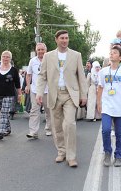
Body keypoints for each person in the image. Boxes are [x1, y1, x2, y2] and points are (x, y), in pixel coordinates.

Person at [36, 30, 87, 168]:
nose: (65, 40)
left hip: (70, 95)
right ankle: (61, 151)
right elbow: (42, 76)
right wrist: (39, 93)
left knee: (70, 124)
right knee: (57, 126)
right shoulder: (48, 56)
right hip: (54, 94)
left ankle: (71, 157)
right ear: (56, 40)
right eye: (62, 38)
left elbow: (81, 76)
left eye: (66, 38)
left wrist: (84, 95)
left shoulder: (76, 55)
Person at [97, 46, 121, 167]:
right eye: (110, 52)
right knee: (106, 130)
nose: (111, 54)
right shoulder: (103, 72)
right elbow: (100, 88)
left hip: (120, 107)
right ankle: (107, 152)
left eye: (114, 53)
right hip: (107, 107)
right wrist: (99, 104)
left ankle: (118, 156)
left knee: (119, 134)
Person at [0, 50, 22, 140]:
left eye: (7, 57)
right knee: (4, 113)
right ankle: (8, 129)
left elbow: (17, 84)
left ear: (10, 59)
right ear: (1, 57)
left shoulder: (14, 70)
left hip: (9, 94)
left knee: (4, 112)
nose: (5, 58)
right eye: (4, 56)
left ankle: (2, 131)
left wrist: (19, 95)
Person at [25, 43, 52, 138]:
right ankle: (33, 132)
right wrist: (28, 86)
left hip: (47, 91)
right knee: (34, 111)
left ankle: (49, 129)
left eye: (42, 50)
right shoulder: (32, 61)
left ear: (46, 50)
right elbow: (28, 75)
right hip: (35, 90)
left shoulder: (50, 60)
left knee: (49, 111)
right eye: (39, 50)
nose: (40, 51)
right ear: (36, 50)